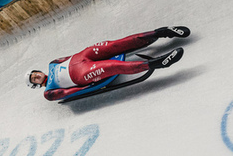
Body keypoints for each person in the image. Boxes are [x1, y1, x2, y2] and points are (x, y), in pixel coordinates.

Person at [26, 26, 190, 101]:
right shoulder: (48, 92)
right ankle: (158, 63)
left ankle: (161, 32)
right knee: (113, 67)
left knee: (115, 45)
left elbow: (68, 57)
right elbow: (69, 93)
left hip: (83, 55)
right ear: (36, 84)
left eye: (34, 73)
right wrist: (88, 87)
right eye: (34, 79)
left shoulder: (52, 63)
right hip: (82, 73)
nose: (37, 76)